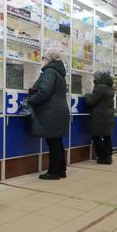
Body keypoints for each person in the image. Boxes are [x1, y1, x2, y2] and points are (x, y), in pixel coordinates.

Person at [27, 47, 70, 180]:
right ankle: (61, 170)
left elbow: (45, 91)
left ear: (48, 59)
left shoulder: (50, 72)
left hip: (52, 112)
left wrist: (30, 101)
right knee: (57, 141)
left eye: (43, 58)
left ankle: (54, 172)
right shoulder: (58, 73)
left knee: (53, 142)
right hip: (59, 110)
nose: (42, 61)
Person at [85, 71, 115, 164]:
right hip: (108, 116)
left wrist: (87, 95)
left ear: (97, 78)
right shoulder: (109, 87)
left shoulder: (99, 87)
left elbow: (91, 101)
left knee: (96, 136)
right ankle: (108, 156)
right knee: (107, 136)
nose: (93, 80)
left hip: (99, 116)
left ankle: (103, 157)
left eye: (94, 78)